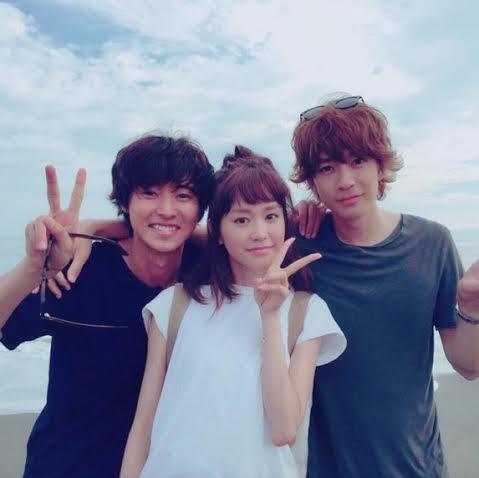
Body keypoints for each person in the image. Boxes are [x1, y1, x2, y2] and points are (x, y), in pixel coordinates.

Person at [119, 146, 346, 478]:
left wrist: (270, 317)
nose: (259, 232)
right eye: (241, 219)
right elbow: (143, 427)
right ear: (218, 233)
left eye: (271, 216)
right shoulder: (176, 304)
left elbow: (284, 429)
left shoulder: (306, 311)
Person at [0, 134, 215, 478]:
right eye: (148, 193)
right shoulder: (79, 269)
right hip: (66, 467)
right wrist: (33, 266)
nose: (166, 208)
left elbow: (251, 235)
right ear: (125, 202)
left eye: (183, 196)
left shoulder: (209, 276)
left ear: (200, 208)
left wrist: (96, 226)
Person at [290, 94, 479, 478]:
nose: (345, 181)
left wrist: (472, 310)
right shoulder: (301, 245)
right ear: (313, 182)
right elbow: (222, 236)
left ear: (381, 165)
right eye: (327, 168)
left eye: (358, 160)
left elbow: (469, 366)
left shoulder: (432, 243)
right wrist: (285, 218)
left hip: (416, 466)